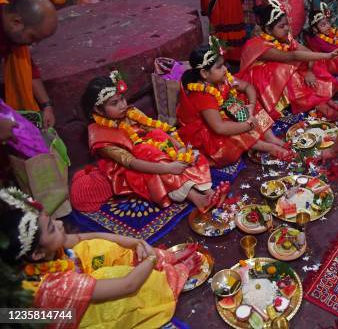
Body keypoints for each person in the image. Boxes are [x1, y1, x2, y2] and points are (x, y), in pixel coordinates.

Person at [0, 187, 202, 328]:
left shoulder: (34, 255)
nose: (60, 224)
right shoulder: (56, 288)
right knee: (117, 280)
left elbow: (84, 237)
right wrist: (150, 260)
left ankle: (156, 260)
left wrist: (134, 243)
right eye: (52, 228)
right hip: (69, 319)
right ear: (36, 254)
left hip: (52, 305)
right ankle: (171, 276)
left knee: (94, 247)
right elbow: (127, 285)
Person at [82, 71, 229, 212]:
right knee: (152, 155)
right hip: (133, 168)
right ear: (99, 110)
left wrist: (179, 147)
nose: (122, 105)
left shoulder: (129, 113)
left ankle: (208, 192)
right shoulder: (101, 137)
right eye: (114, 103)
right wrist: (169, 168)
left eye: (122, 98)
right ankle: (198, 199)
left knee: (166, 140)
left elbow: (153, 127)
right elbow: (132, 162)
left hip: (150, 149)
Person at [177, 40, 294, 166]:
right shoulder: (203, 95)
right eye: (219, 67)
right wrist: (247, 125)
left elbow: (248, 87)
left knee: (245, 99)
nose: (225, 69)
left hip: (226, 116)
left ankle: (270, 138)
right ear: (204, 73)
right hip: (208, 136)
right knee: (233, 129)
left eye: (224, 64)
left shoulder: (223, 79)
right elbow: (219, 128)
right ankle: (268, 147)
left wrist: (251, 107)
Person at [237, 0, 338, 120]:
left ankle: (316, 99)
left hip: (284, 70)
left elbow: (307, 52)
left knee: (312, 64)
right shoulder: (259, 45)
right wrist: (327, 56)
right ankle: (309, 102)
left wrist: (309, 71)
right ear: (268, 30)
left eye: (287, 24)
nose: (286, 29)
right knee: (287, 69)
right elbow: (292, 56)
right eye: (281, 26)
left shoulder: (285, 37)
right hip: (263, 80)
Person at [0, 0, 57, 128]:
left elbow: (28, 68)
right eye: (32, 37)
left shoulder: (10, 30)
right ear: (16, 22)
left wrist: (47, 106)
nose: (33, 44)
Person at [304, 4, 338, 75]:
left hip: (332, 55)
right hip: (326, 62)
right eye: (323, 25)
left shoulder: (327, 32)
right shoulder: (317, 39)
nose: (328, 26)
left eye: (327, 23)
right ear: (315, 29)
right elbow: (332, 50)